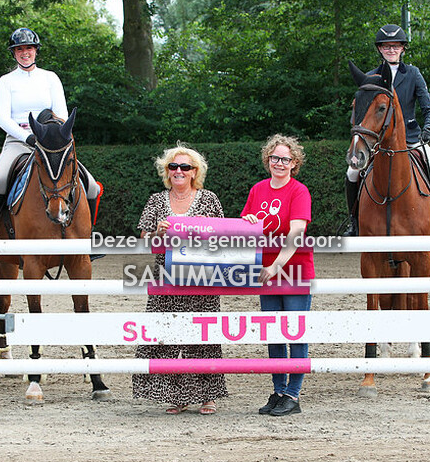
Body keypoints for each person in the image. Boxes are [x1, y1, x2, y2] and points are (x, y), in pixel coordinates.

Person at [133, 143, 228, 415]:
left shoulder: (209, 199)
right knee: (169, 334)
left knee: (203, 335)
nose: (179, 171)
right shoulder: (155, 200)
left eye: (185, 167)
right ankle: (177, 395)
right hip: (166, 276)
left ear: (194, 171)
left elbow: (225, 236)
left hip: (203, 278)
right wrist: (157, 232)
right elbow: (145, 240)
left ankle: (208, 395)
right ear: (167, 171)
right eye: (173, 166)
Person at [0, 27, 100, 249]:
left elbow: (62, 114)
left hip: (52, 143)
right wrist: (28, 137)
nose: (24, 52)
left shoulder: (50, 78)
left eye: (28, 48)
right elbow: (2, 118)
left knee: (92, 185)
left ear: (35, 51)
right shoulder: (6, 81)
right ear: (14, 53)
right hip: (19, 141)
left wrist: (50, 135)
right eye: (19, 49)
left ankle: (90, 235)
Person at [342, 23, 430, 237]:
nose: (391, 50)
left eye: (395, 46)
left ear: (403, 48)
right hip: (379, 141)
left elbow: (428, 108)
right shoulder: (370, 77)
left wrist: (429, 127)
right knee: (352, 172)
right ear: (379, 49)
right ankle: (353, 221)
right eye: (386, 46)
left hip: (411, 137)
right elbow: (363, 113)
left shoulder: (413, 74)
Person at [242, 134, 314, 417]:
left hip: (293, 270)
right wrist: (246, 220)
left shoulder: (299, 191)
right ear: (267, 160)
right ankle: (277, 389)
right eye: (275, 158)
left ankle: (293, 395)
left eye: (285, 159)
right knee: (273, 332)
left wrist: (277, 266)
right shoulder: (258, 189)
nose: (279, 163)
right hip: (265, 270)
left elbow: (296, 233)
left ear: (294, 163)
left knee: (294, 333)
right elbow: (246, 227)